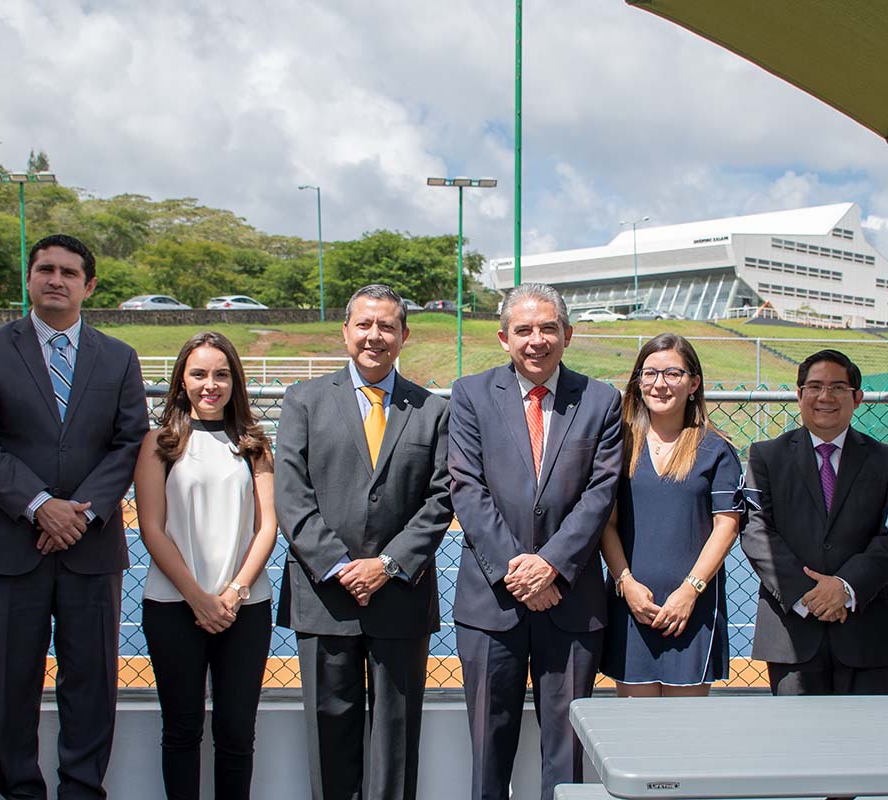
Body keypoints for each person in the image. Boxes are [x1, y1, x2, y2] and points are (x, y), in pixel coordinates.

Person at [0, 233, 149, 799]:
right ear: (30, 277)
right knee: (12, 684)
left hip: (90, 549)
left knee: (91, 684)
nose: (55, 279)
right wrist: (41, 507)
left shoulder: (118, 357)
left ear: (89, 286)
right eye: (45, 269)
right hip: (8, 548)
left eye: (68, 272)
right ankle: (19, 791)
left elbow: (128, 442)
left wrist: (79, 516)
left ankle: (82, 790)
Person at [274, 284, 453, 800]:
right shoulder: (303, 400)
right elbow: (291, 494)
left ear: (404, 335)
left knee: (397, 740)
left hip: (398, 597)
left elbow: (440, 499)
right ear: (346, 329)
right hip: (324, 595)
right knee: (329, 732)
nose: (375, 336)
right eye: (364, 325)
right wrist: (338, 564)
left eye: (387, 327)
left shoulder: (431, 411)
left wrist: (387, 564)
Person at [448, 283, 622, 800]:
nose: (536, 339)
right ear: (504, 338)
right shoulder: (470, 394)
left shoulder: (601, 399)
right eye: (523, 330)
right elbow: (466, 486)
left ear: (568, 334)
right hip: (491, 603)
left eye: (548, 328)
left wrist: (551, 566)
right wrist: (516, 569)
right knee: (487, 749)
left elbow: (601, 492)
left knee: (566, 751)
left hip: (571, 601)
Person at [133, 331, 276, 799]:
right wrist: (198, 598)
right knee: (181, 731)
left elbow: (267, 527)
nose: (209, 384)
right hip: (174, 607)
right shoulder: (159, 443)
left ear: (235, 381)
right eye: (198, 374)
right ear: (181, 382)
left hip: (245, 610)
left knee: (237, 735)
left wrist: (233, 594)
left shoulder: (254, 444)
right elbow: (152, 528)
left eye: (221, 374)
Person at [741, 349, 888, 695]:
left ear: (857, 397)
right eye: (814, 386)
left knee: (870, 743)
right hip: (793, 632)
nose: (825, 396)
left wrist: (844, 588)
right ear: (799, 394)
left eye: (838, 387)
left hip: (866, 631)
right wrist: (809, 596)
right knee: (797, 745)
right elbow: (756, 531)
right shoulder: (765, 456)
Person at [599, 333, 745, 695]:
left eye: (672, 374)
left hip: (690, 611)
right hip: (633, 606)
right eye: (649, 374)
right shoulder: (618, 443)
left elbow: (726, 527)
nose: (659, 384)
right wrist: (626, 584)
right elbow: (607, 524)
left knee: (685, 735)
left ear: (694, 383)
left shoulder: (716, 448)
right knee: (636, 733)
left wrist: (689, 591)